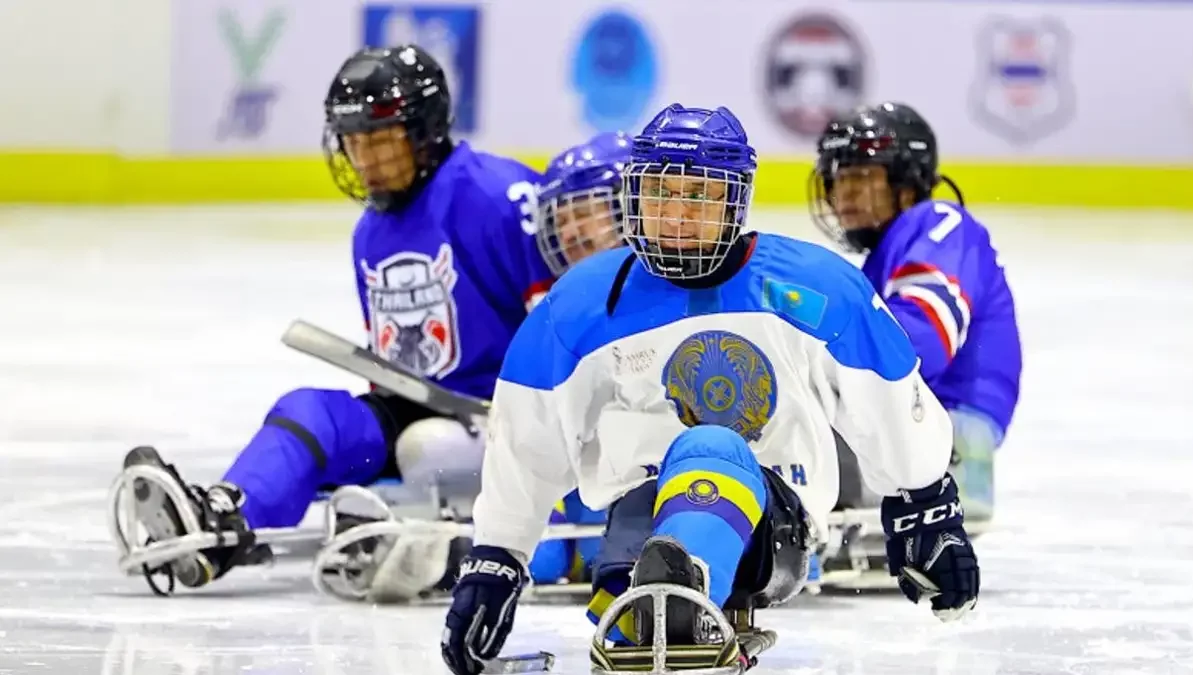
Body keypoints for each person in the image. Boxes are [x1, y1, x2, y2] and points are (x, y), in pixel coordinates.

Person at [440, 103, 981, 675]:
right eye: (661, 194)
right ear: (634, 198)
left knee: (714, 448)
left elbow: (887, 391)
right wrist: (497, 557)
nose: (676, 216)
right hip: (633, 526)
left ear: (735, 201)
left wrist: (925, 504)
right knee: (632, 534)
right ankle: (653, 602)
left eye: (698, 197)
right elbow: (530, 433)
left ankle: (681, 595)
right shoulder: (580, 304)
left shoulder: (811, 287)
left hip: (771, 529)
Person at [109, 44, 557, 594]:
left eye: (381, 140)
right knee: (311, 413)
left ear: (426, 131)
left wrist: (536, 416)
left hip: (504, 420)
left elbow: (563, 320)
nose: (365, 159)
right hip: (417, 413)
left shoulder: (500, 196)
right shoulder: (370, 231)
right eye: (354, 142)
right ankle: (221, 519)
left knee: (430, 450)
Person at [809, 102, 1022, 529]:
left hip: (948, 434)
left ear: (907, 184)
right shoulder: (885, 256)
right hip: (922, 427)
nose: (843, 193)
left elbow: (920, 342)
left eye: (861, 176)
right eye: (837, 178)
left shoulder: (941, 224)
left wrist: (812, 375)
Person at [525, 130, 633, 584]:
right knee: (546, 559)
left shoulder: (681, 291)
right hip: (582, 463)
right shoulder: (552, 305)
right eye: (561, 218)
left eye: (584, 213)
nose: (569, 232)